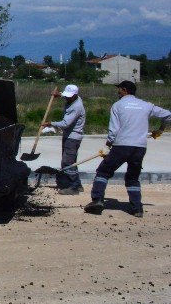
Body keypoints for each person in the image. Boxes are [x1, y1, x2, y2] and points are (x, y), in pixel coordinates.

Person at [85, 80, 170, 217]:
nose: (117, 92)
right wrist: (161, 128)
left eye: (119, 89)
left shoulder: (118, 105)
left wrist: (107, 146)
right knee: (132, 178)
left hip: (121, 146)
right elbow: (168, 115)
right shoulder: (146, 105)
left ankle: (97, 200)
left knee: (103, 172)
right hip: (139, 148)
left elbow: (113, 130)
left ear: (124, 90)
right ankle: (137, 208)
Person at [44, 84, 86, 194]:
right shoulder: (75, 98)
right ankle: (77, 185)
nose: (67, 97)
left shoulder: (76, 107)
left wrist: (50, 123)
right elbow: (66, 95)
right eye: (66, 95)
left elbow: (65, 123)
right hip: (70, 136)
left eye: (69, 96)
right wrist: (59, 94)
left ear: (75, 95)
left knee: (67, 163)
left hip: (73, 137)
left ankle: (73, 187)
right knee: (72, 162)